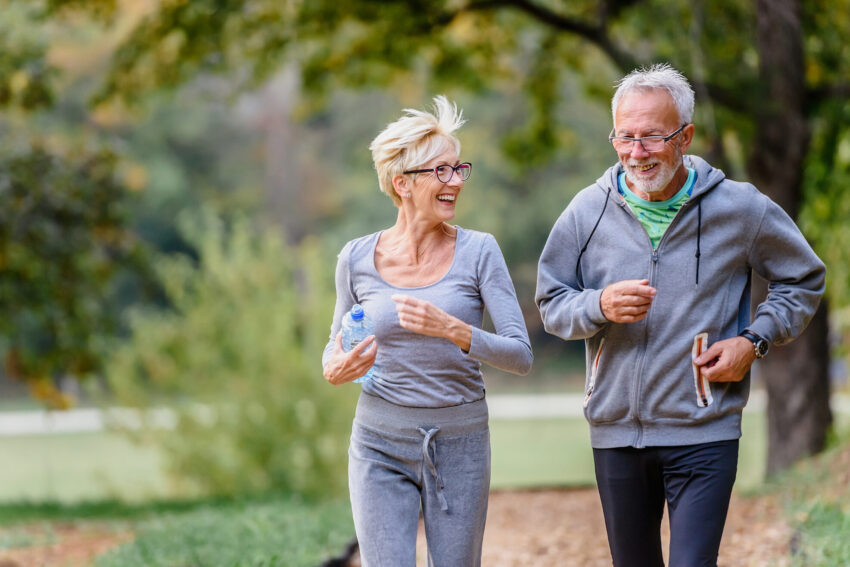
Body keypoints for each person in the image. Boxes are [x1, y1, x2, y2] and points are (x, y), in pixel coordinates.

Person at [535, 64, 825, 567]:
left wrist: (753, 341)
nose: (636, 152)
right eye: (625, 137)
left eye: (652, 137)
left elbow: (803, 277)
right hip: (615, 431)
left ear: (685, 136)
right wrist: (597, 306)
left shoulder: (740, 208)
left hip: (704, 429)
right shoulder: (587, 212)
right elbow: (550, 302)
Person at [322, 95, 533, 567]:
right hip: (378, 439)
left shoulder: (480, 252)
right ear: (402, 183)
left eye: (459, 169)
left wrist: (455, 330)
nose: (455, 181)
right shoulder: (355, 258)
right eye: (440, 171)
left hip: (460, 441)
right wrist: (334, 367)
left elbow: (521, 355)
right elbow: (334, 347)